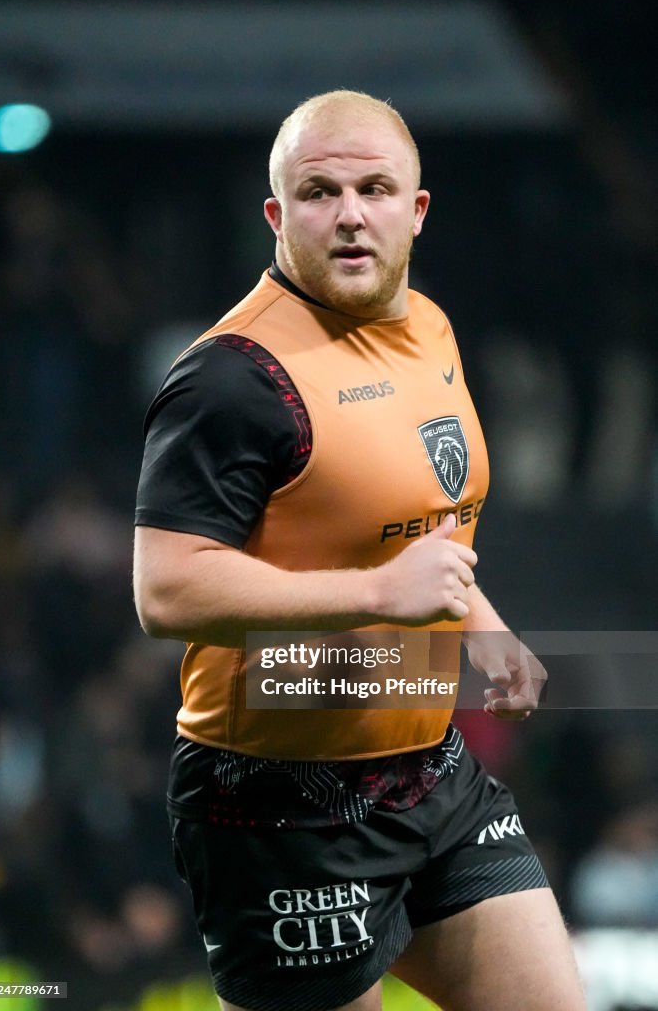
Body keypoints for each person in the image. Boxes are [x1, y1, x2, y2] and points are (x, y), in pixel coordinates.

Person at [133, 90, 586, 1011]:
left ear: (415, 210)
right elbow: (166, 591)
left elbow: (417, 517)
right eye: (319, 192)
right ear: (276, 215)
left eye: (373, 189)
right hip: (273, 806)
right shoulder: (232, 378)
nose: (348, 213)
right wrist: (379, 594)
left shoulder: (428, 327)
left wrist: (480, 621)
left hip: (430, 771)